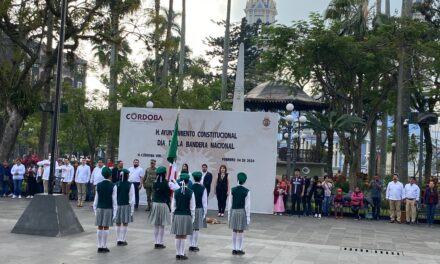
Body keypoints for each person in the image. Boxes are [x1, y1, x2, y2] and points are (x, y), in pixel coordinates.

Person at [171, 172, 195, 260]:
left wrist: (172, 216)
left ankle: (177, 253)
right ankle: (182, 253)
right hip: (186, 216)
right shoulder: (191, 192)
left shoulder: (176, 192)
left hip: (177, 215)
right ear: (188, 182)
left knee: (178, 235)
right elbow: (192, 207)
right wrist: (192, 218)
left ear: (180, 181)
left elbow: (173, 206)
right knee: (184, 235)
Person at [93, 167, 117, 253]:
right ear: (110, 175)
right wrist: (115, 212)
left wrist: (95, 209)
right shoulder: (113, 186)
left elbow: (96, 199)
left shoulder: (98, 185)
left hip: (99, 207)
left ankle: (99, 246)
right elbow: (114, 201)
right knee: (106, 227)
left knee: (99, 226)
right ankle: (104, 245)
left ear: (102, 175)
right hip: (108, 208)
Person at [228, 172, 250, 256]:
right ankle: (239, 248)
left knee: (234, 230)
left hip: (234, 211)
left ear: (237, 180)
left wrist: (229, 214)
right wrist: (248, 217)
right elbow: (248, 206)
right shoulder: (247, 191)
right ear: (244, 181)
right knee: (241, 231)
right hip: (242, 211)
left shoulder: (232, 190)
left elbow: (229, 203)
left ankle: (234, 248)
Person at [148, 166, 171, 249]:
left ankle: (155, 242)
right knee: (161, 225)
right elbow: (168, 194)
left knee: (155, 225)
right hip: (163, 204)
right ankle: (160, 242)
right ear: (164, 174)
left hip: (155, 204)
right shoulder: (166, 182)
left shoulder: (155, 182)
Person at [188, 171, 207, 252]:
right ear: (200, 179)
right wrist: (205, 213)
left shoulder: (190, 187)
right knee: (196, 229)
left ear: (193, 178)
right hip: (199, 208)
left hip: (190, 209)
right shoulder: (203, 188)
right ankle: (194, 245)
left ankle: (190, 244)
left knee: (191, 228)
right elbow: (204, 202)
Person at [115, 169, 135, 246]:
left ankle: (118, 239)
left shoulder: (116, 184)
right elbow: (132, 198)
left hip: (117, 205)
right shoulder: (130, 185)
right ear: (127, 175)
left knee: (118, 223)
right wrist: (132, 209)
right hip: (126, 205)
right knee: (125, 223)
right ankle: (123, 239)